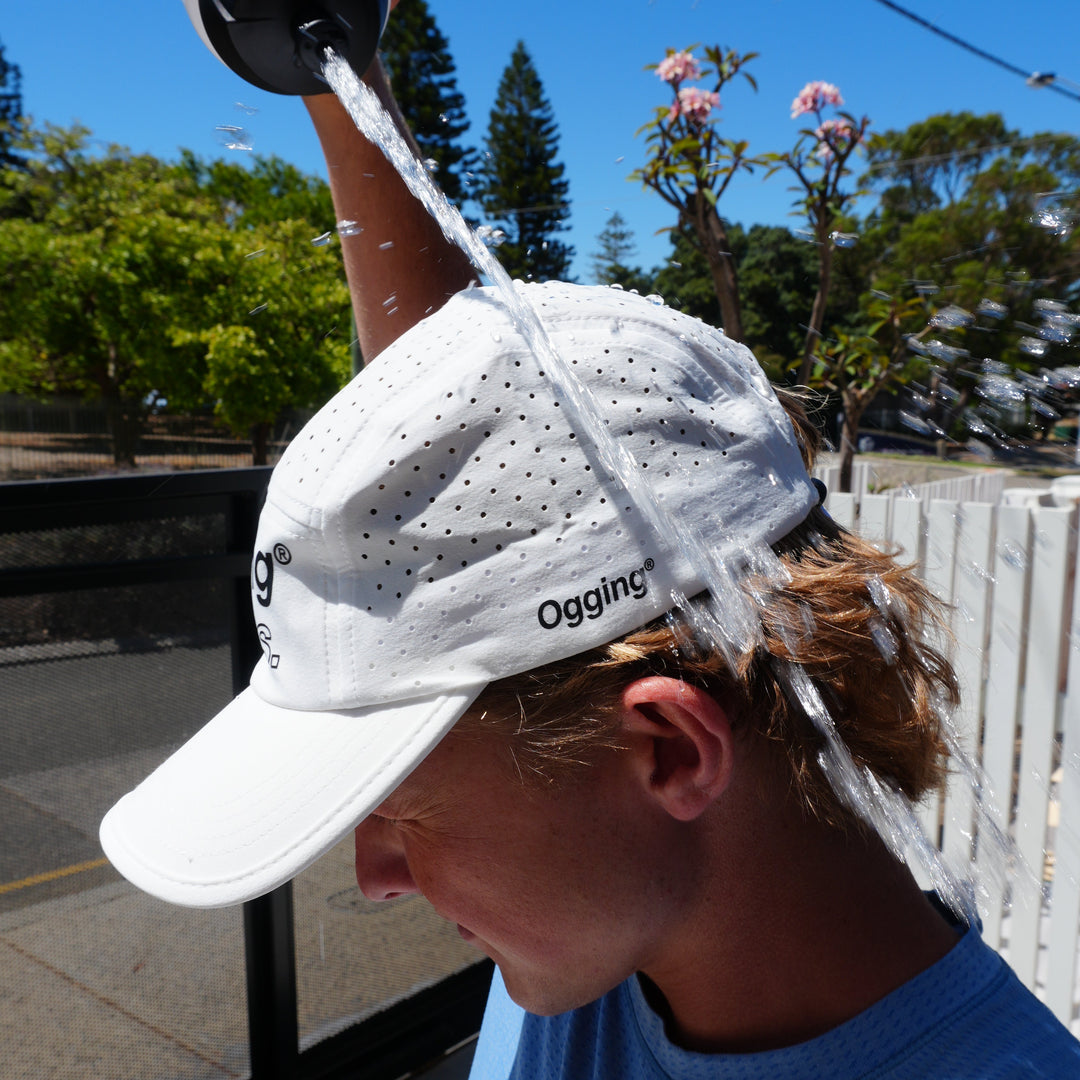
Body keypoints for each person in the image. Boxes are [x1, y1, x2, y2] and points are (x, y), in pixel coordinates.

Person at [101, 29, 1080, 1080]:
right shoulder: (630, 910)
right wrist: (339, 66)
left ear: (668, 749)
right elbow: (480, 453)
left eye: (401, 808)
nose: (373, 872)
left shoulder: (597, 946)